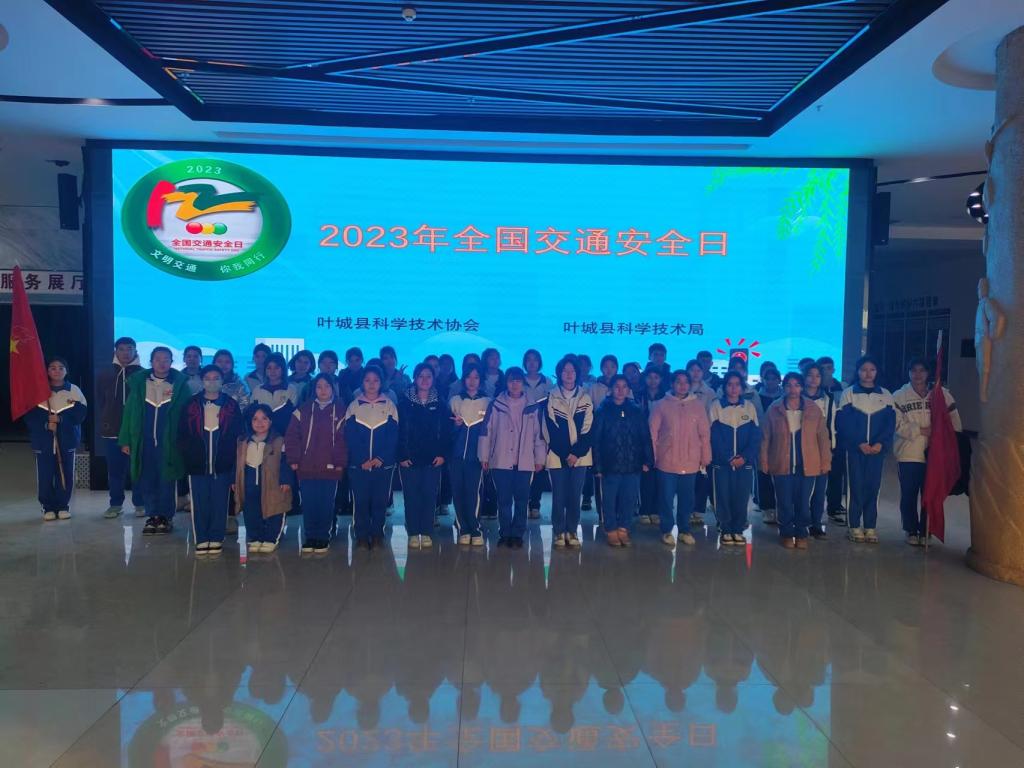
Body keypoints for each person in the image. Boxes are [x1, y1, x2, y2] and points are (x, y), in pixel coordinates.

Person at [119, 346, 190, 535]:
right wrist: (126, 440)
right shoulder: (140, 384)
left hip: (170, 443)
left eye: (166, 359)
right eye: (158, 359)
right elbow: (129, 413)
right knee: (147, 478)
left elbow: (187, 416)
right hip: (145, 442)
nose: (162, 363)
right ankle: (152, 515)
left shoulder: (180, 385)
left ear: (171, 362)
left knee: (167, 479)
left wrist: (185, 442)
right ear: (151, 362)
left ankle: (166, 516)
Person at [177, 365, 244, 556]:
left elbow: (238, 435)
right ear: (202, 380)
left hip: (223, 464)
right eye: (208, 378)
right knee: (199, 503)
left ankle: (216, 537)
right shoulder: (191, 404)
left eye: (216, 378)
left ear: (222, 381)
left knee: (220, 502)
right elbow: (182, 434)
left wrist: (232, 461)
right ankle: (201, 538)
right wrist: (189, 456)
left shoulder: (231, 405)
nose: (212, 382)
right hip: (197, 464)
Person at [894, 358, 962, 546]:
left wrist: (947, 439)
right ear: (908, 372)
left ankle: (926, 529)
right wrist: (921, 430)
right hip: (909, 452)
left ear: (928, 372)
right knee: (909, 494)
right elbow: (896, 424)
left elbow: (954, 422)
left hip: (935, 453)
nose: (918, 375)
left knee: (930, 493)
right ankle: (911, 529)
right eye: (913, 370)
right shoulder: (899, 396)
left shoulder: (941, 394)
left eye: (922, 370)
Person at [760, 372, 831, 550]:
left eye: (797, 385)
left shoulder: (813, 409)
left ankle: (801, 533)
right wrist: (764, 460)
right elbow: (765, 437)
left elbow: (823, 437)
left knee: (803, 502)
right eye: (789, 385)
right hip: (781, 462)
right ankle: (786, 532)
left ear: (802, 387)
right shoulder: (774, 409)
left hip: (807, 463)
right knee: (784, 501)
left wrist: (825, 461)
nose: (793, 389)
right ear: (783, 387)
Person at [479, 367, 547, 548]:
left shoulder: (533, 406)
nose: (515, 384)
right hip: (500, 460)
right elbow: (486, 432)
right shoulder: (495, 404)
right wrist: (484, 456)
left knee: (522, 500)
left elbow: (539, 435)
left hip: (525, 461)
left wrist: (540, 459)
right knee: (503, 500)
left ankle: (517, 534)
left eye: (518, 380)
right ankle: (505, 533)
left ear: (523, 383)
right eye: (511, 380)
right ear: (506, 382)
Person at [836, 356, 896, 544]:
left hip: (877, 451)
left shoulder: (886, 395)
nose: (868, 373)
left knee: (873, 487)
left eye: (872, 369)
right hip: (855, 450)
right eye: (863, 370)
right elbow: (843, 423)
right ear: (858, 372)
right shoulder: (849, 393)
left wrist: (880, 444)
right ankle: (854, 526)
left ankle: (870, 526)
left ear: (877, 372)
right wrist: (859, 443)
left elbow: (890, 423)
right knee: (855, 486)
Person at [285, 373, 347, 554]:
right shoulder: (303, 410)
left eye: (327, 386)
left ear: (333, 388)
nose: (323, 390)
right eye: (319, 386)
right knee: (309, 503)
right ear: (314, 389)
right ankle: (310, 536)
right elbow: (292, 436)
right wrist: (293, 459)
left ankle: (323, 537)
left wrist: (340, 462)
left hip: (330, 467)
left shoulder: (342, 410)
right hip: (306, 467)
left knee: (326, 504)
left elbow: (344, 440)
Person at [649, 370, 711, 547]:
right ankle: (666, 530)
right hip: (667, 460)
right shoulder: (661, 405)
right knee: (666, 498)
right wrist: (653, 457)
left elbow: (704, 434)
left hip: (690, 460)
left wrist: (705, 456)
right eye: (678, 382)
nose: (682, 385)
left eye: (686, 382)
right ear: (672, 384)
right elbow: (652, 433)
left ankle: (684, 529)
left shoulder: (697, 406)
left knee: (687, 498)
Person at [591, 374, 653, 547]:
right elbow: (596, 441)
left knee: (629, 499)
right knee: (609, 500)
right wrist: (597, 466)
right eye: (616, 386)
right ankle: (610, 529)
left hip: (633, 463)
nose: (620, 390)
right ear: (610, 389)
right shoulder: (603, 410)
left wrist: (648, 459)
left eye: (624, 386)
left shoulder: (636, 410)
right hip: (610, 465)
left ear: (628, 389)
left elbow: (645, 436)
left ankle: (624, 528)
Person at [344, 366, 400, 550]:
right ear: (362, 382)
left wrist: (381, 458)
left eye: (376, 380)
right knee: (360, 502)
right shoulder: (354, 406)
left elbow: (393, 436)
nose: (371, 384)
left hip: (382, 466)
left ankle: (377, 534)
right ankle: (361, 535)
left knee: (379, 501)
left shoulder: (389, 405)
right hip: (358, 466)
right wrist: (361, 459)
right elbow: (350, 436)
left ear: (381, 382)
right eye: (367, 380)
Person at [25, 357, 87, 521]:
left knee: (65, 473)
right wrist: (46, 424)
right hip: (43, 442)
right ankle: (48, 507)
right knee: (45, 475)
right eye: (53, 368)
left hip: (67, 440)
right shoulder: (38, 391)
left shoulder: (74, 390)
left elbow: (80, 414)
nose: (57, 371)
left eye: (61, 368)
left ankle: (63, 506)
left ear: (66, 371)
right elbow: (30, 417)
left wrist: (61, 420)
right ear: (47, 371)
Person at [397, 363, 451, 549]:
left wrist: (442, 454)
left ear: (433, 379)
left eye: (428, 376)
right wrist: (401, 455)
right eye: (421, 376)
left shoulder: (441, 404)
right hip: (408, 458)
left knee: (429, 495)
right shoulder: (403, 403)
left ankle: (427, 531)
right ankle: (413, 532)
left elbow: (446, 432)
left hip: (433, 459)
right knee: (411, 496)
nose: (425, 380)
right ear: (415, 378)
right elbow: (398, 431)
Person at [543, 357, 594, 549]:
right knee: (559, 495)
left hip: (580, 457)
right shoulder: (551, 396)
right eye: (565, 370)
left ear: (577, 373)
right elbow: (550, 429)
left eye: (572, 370)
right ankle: (558, 531)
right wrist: (566, 454)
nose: (569, 374)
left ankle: (572, 530)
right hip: (558, 456)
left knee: (575, 495)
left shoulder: (585, 398)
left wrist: (576, 453)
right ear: (559, 373)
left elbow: (589, 429)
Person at [708, 371, 761, 546]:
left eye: (737, 384)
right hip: (722, 463)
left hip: (744, 464)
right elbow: (714, 436)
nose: (733, 388)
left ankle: (738, 529)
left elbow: (755, 437)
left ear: (742, 387)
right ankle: (725, 529)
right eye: (730, 384)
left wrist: (745, 457)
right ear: (724, 387)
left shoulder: (749, 407)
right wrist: (728, 457)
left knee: (741, 497)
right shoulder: (716, 406)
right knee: (722, 496)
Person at [234, 404, 295, 554]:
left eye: (264, 418)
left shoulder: (279, 440)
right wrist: (234, 481)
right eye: (255, 419)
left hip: (273, 484)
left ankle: (271, 538)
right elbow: (236, 464)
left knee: (274, 509)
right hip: (249, 483)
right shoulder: (243, 441)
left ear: (271, 421)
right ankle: (255, 537)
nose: (259, 423)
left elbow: (286, 461)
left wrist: (285, 480)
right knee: (251, 511)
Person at [98, 336, 142, 518]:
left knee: (137, 470)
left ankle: (140, 504)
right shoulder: (105, 374)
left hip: (137, 432)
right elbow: (101, 401)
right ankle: (115, 504)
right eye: (122, 349)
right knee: (115, 471)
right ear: (115, 351)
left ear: (135, 351)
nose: (126, 353)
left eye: (129, 349)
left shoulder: (143, 375)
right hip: (112, 431)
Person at [448, 365, 491, 546]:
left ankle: (475, 528)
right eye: (469, 377)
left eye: (476, 377)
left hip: (476, 457)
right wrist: (455, 426)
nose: (472, 381)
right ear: (463, 379)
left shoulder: (488, 402)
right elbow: (447, 431)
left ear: (481, 380)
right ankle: (463, 528)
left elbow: (490, 431)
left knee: (474, 493)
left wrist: (486, 456)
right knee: (458, 492)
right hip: (456, 456)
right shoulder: (455, 401)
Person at [803, 363, 837, 537]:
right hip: (801, 450)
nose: (814, 379)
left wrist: (830, 450)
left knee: (819, 490)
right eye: (810, 375)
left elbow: (832, 425)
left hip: (821, 450)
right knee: (802, 490)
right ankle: (801, 522)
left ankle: (816, 523)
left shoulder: (828, 399)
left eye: (817, 375)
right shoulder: (796, 398)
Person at [817, 356, 847, 525]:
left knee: (836, 474)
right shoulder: (814, 390)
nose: (826, 372)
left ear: (834, 369)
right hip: (817, 439)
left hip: (838, 437)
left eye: (829, 368)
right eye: (822, 369)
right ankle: (814, 512)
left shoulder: (842, 388)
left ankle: (834, 507)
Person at [686, 358, 716, 525]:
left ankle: (698, 510)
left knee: (702, 476)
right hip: (683, 440)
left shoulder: (709, 392)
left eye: (698, 370)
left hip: (703, 439)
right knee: (687, 477)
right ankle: (686, 509)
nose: (695, 373)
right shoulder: (680, 390)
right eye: (692, 370)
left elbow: (711, 416)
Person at [522, 349, 550, 518]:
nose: (532, 363)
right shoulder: (519, 380)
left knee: (539, 468)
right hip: (521, 431)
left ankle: (535, 505)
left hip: (542, 430)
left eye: (535, 359)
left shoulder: (547, 382)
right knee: (523, 470)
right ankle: (523, 503)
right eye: (529, 359)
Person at [637, 363, 666, 525]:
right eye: (649, 377)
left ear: (661, 379)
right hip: (643, 441)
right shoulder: (638, 395)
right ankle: (644, 510)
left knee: (660, 478)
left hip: (663, 441)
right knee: (645, 477)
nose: (653, 380)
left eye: (656, 377)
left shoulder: (667, 396)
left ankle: (656, 510)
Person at [754, 366, 782, 525]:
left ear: (779, 380)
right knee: (763, 473)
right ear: (763, 380)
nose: (770, 382)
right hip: (762, 439)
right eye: (767, 379)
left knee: (780, 474)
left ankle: (780, 507)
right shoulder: (757, 396)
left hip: (780, 440)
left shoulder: (785, 396)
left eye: (774, 379)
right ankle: (766, 508)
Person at [250, 352, 299, 437]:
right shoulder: (258, 390)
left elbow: (292, 416)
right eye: (269, 368)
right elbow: (252, 414)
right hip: (260, 434)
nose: (272, 371)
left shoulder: (291, 390)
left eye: (276, 368)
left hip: (284, 434)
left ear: (282, 369)